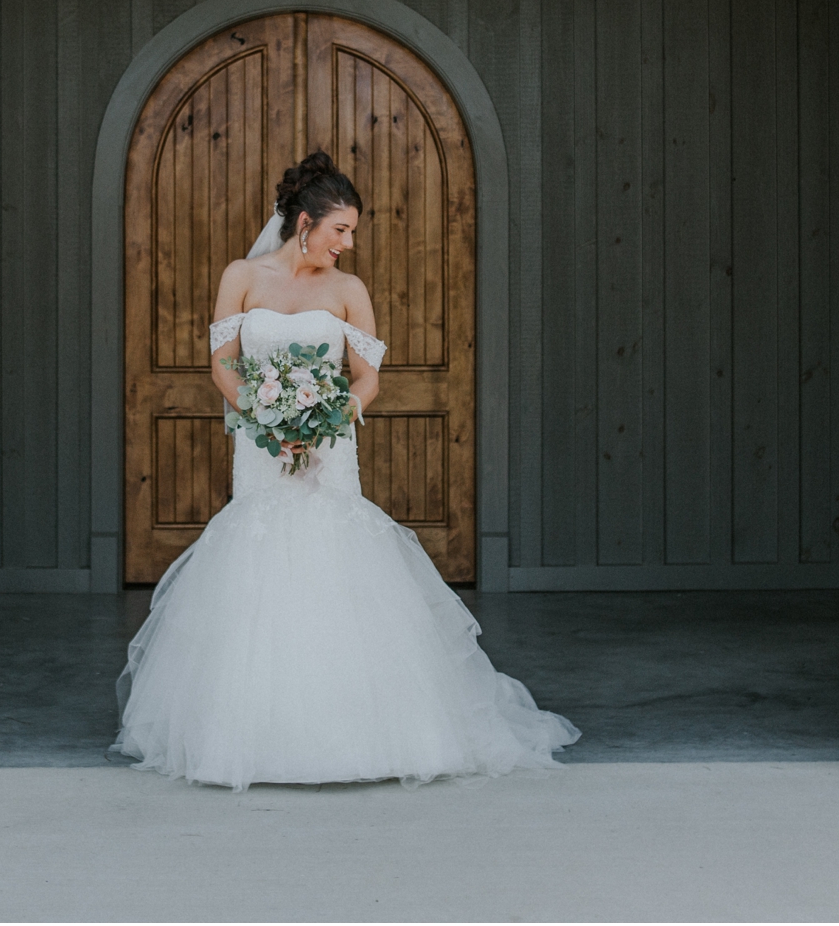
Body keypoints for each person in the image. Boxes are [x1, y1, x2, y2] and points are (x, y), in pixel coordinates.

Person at [112, 150, 579, 791]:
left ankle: (363, 733)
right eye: (341, 230)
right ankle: (252, 735)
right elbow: (222, 362)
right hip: (261, 444)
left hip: (329, 449)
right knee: (257, 564)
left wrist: (332, 417)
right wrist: (264, 416)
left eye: (353, 232)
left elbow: (368, 378)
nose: (349, 243)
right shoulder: (242, 276)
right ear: (304, 223)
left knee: (337, 565)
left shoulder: (348, 290)